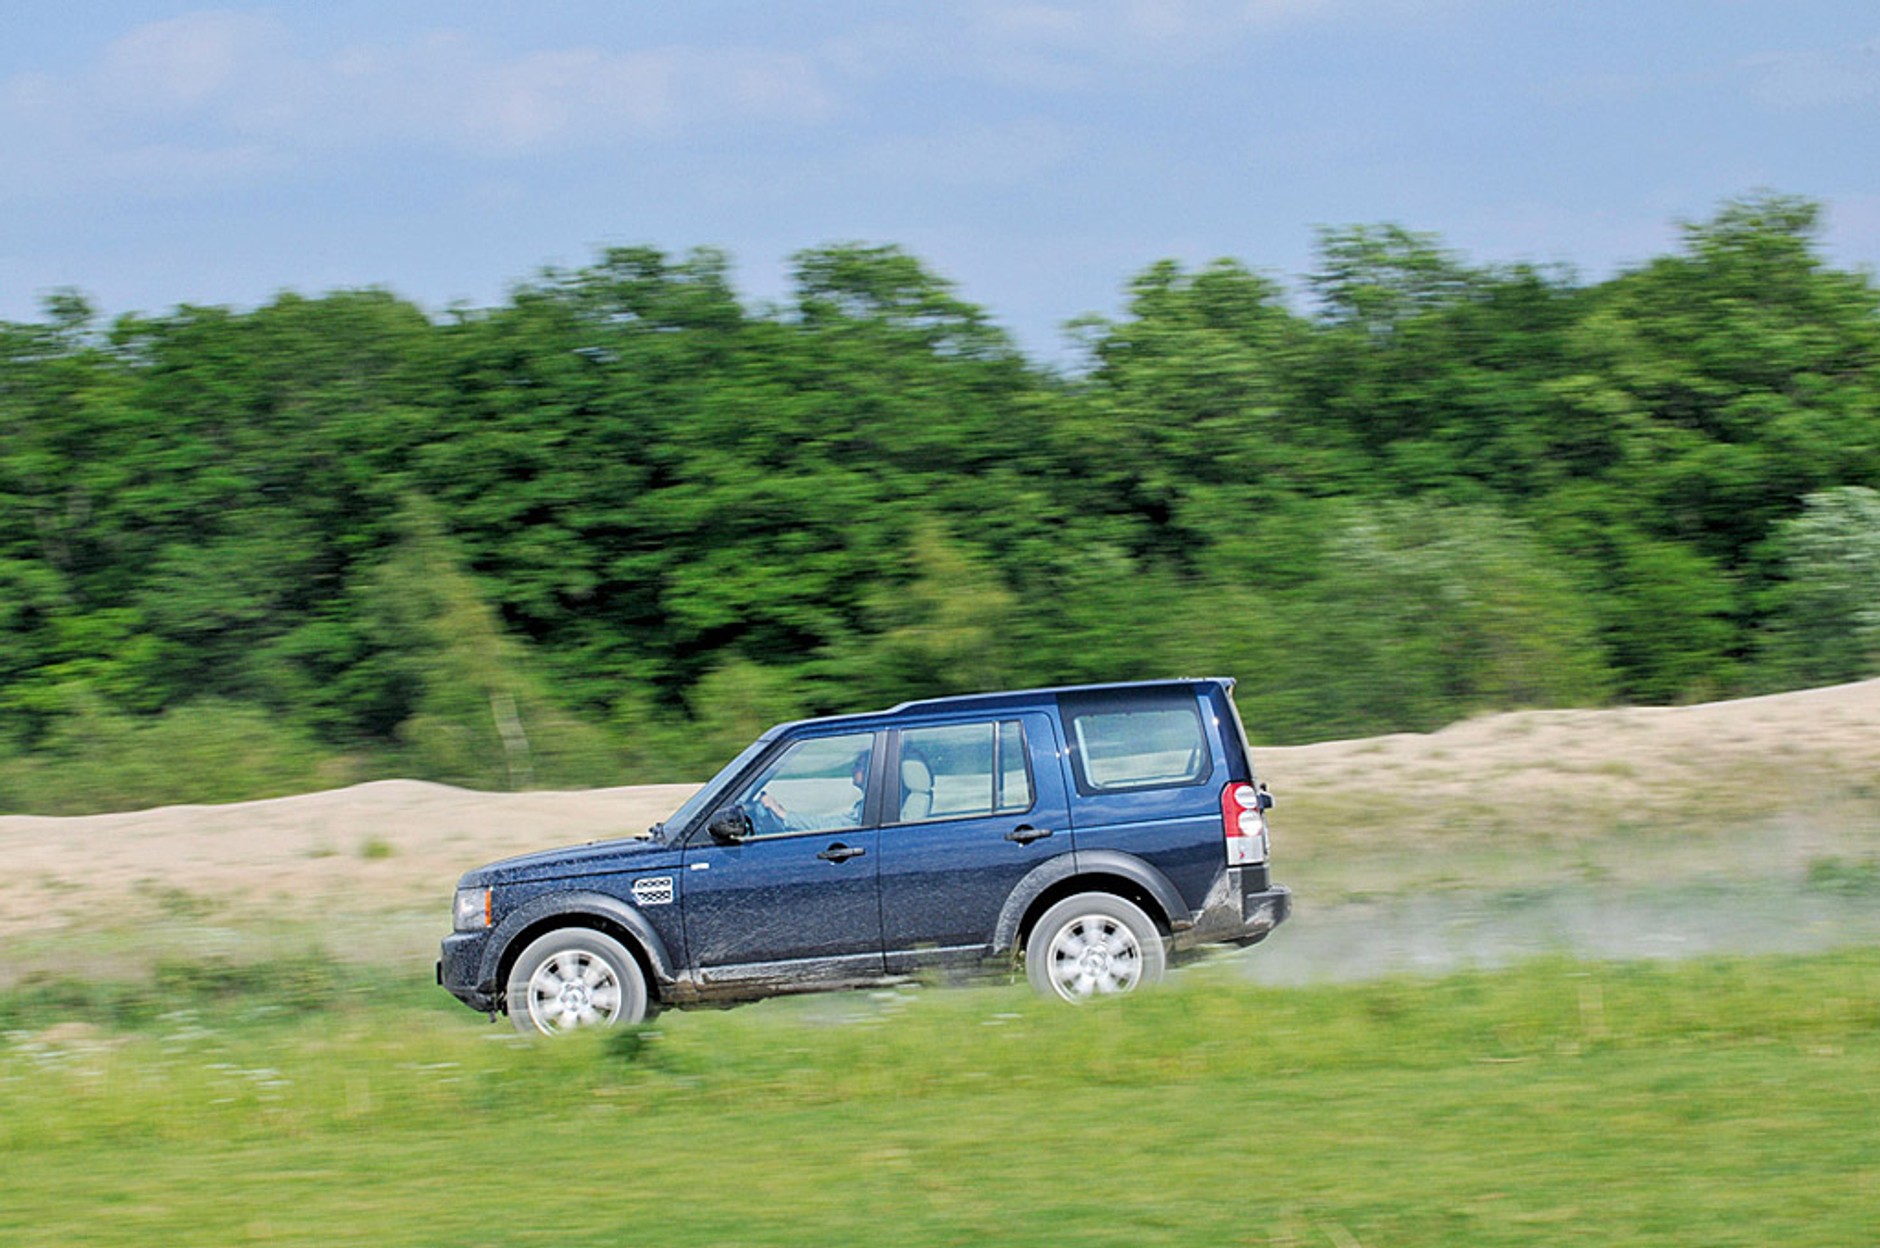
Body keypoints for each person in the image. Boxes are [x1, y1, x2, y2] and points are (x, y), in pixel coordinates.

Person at [757, 751, 868, 832]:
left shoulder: (872, 806)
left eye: (858, 765)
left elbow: (831, 826)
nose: (853, 769)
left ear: (869, 768)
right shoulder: (868, 804)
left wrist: (782, 814)